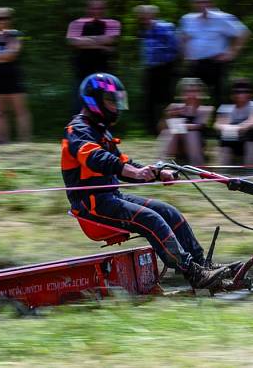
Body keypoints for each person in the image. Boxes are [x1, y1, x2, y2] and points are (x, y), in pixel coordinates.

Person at [61, 73, 233, 289]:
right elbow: (95, 158)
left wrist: (156, 173)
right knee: (151, 220)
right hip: (91, 205)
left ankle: (203, 265)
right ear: (93, 100)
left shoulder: (100, 130)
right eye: (110, 100)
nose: (115, 107)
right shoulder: (78, 130)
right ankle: (194, 273)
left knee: (169, 212)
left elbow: (123, 162)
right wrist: (134, 173)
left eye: (117, 101)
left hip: (110, 198)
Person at [179, 0, 250, 104]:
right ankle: (197, 121)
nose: (201, 5)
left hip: (215, 64)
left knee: (219, 99)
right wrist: (185, 56)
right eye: (198, 2)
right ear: (193, 4)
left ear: (211, 3)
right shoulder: (188, 19)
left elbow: (243, 33)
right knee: (194, 99)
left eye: (205, 2)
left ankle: (221, 121)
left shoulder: (222, 18)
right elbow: (183, 37)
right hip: (195, 65)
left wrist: (232, 52)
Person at [0, 7, 31, 143]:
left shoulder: (16, 34)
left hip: (14, 75)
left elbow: (13, 54)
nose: (1, 21)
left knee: (20, 110)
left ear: (11, 19)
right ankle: (3, 140)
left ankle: (25, 140)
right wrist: (4, 56)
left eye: (5, 18)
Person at [66, 0, 121, 110]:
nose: (96, 11)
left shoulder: (113, 23)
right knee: (79, 108)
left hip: (106, 74)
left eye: (100, 8)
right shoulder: (76, 24)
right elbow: (72, 42)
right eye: (93, 8)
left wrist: (85, 41)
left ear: (105, 9)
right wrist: (101, 44)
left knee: (109, 108)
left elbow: (110, 40)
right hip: (82, 74)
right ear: (87, 8)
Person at [135, 5, 179, 134]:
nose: (144, 18)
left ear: (153, 15)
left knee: (168, 99)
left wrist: (168, 63)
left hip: (166, 67)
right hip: (150, 69)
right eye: (141, 16)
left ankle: (174, 128)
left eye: (146, 15)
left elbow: (175, 47)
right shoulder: (143, 30)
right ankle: (153, 130)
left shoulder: (165, 27)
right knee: (150, 100)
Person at [214, 79, 253, 167]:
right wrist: (229, 128)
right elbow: (218, 125)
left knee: (251, 132)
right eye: (237, 91)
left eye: (245, 91)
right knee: (225, 135)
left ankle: (251, 168)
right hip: (233, 141)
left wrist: (236, 128)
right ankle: (224, 168)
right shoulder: (225, 108)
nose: (241, 94)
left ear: (250, 94)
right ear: (232, 94)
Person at [160, 78, 213, 166]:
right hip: (177, 145)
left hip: (197, 145)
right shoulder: (174, 107)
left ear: (201, 93)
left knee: (191, 133)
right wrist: (168, 116)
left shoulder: (205, 110)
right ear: (182, 93)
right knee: (168, 132)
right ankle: (160, 164)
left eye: (195, 91)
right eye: (188, 91)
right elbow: (161, 128)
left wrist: (178, 124)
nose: (192, 94)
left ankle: (197, 165)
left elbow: (198, 126)